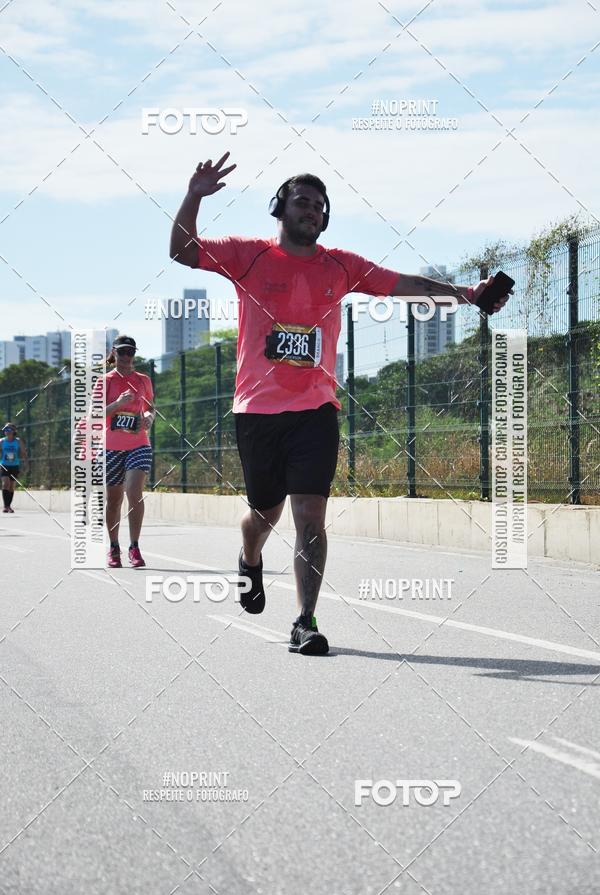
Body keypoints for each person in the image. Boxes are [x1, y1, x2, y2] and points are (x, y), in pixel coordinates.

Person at [169, 153, 510, 655]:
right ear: (279, 209)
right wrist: (195, 195)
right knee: (265, 513)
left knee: (310, 514)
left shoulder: (342, 266)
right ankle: (250, 560)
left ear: (325, 218)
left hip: (316, 409)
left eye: (318, 205)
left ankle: (304, 620)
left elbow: (406, 286)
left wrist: (468, 293)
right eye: (300, 201)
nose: (310, 209)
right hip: (258, 411)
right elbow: (181, 251)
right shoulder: (248, 256)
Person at [99, 336, 155, 568]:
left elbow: (150, 407)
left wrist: (149, 417)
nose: (126, 357)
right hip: (112, 447)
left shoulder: (143, 380)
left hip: (138, 444)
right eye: (122, 352)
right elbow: (96, 413)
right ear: (114, 353)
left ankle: (134, 546)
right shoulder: (106, 381)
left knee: (133, 491)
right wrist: (119, 404)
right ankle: (113, 547)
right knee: (114, 500)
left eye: (130, 352)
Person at [1, 423, 27, 513]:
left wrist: (26, 463)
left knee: (11, 486)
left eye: (9, 429)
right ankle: (5, 506)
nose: (7, 431)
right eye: (5, 430)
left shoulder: (18, 441)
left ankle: (9, 506)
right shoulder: (1, 441)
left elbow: (23, 453)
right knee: (5, 484)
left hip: (15, 465)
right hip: (4, 465)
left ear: (14, 431)